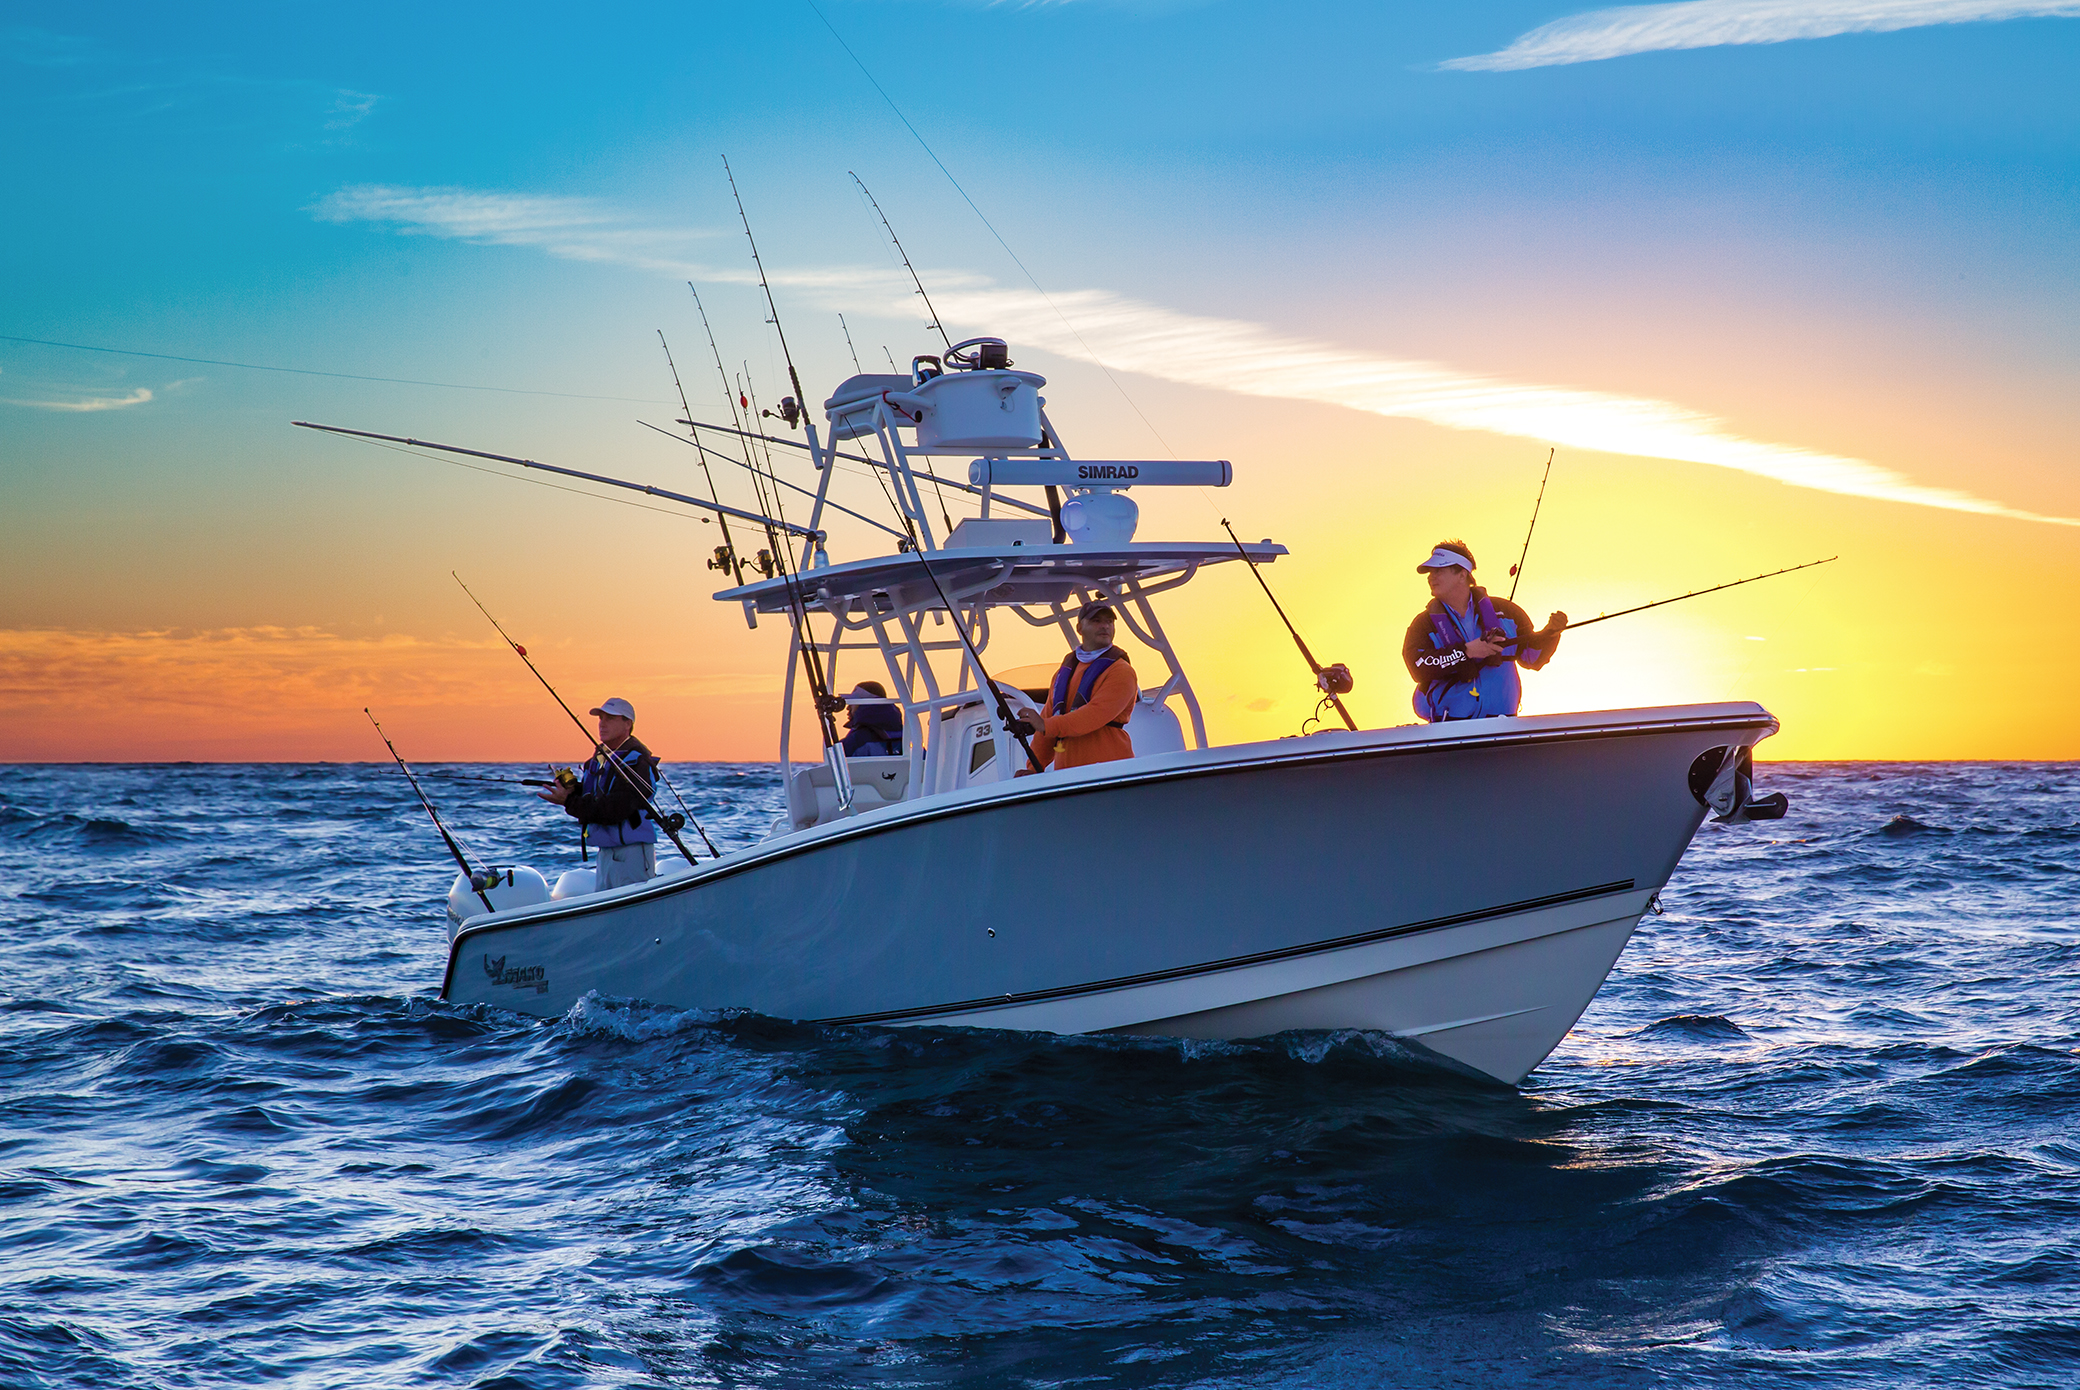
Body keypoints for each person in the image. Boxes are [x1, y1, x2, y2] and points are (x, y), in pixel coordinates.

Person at [1402, 541, 1566, 722]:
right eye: (1430, 572)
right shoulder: (1423, 625)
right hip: (1447, 726)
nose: (1431, 577)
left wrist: (1551, 634)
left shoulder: (1509, 613)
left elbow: (1533, 658)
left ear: (1462, 574)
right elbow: (1418, 667)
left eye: (1439, 571)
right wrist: (1466, 652)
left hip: (1503, 724)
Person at [537, 696, 660, 889]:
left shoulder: (638, 763)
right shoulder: (597, 760)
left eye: (610, 718)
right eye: (600, 718)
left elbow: (615, 809)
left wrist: (568, 802)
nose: (602, 724)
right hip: (604, 853)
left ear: (628, 724)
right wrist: (572, 790)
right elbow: (595, 797)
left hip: (632, 853)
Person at [1013, 603, 1137, 771]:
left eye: (1109, 621)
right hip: (1069, 778)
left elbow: (1094, 715)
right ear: (1079, 628)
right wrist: (1033, 769)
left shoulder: (1122, 671)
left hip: (1111, 774)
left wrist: (1046, 725)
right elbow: (1048, 719)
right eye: (1096, 620)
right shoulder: (1061, 675)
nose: (1105, 626)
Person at [840, 680, 904, 757]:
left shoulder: (858, 738)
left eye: (853, 702)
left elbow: (835, 759)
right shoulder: (908, 736)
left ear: (863, 704)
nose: (848, 707)